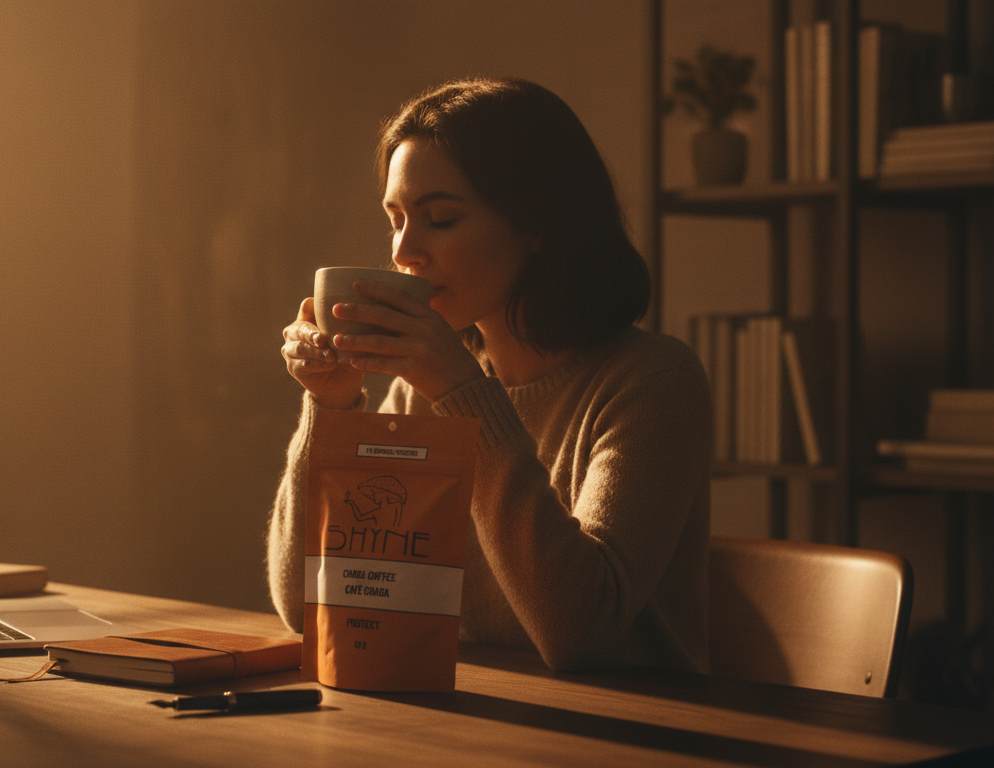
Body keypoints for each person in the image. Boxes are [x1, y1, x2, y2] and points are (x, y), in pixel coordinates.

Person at [268, 77, 712, 673]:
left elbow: (580, 631)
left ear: (538, 224)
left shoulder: (652, 381)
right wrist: (334, 409)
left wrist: (463, 397)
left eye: (441, 219)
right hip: (478, 721)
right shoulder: (420, 392)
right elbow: (310, 607)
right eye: (395, 218)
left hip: (636, 733)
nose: (405, 252)